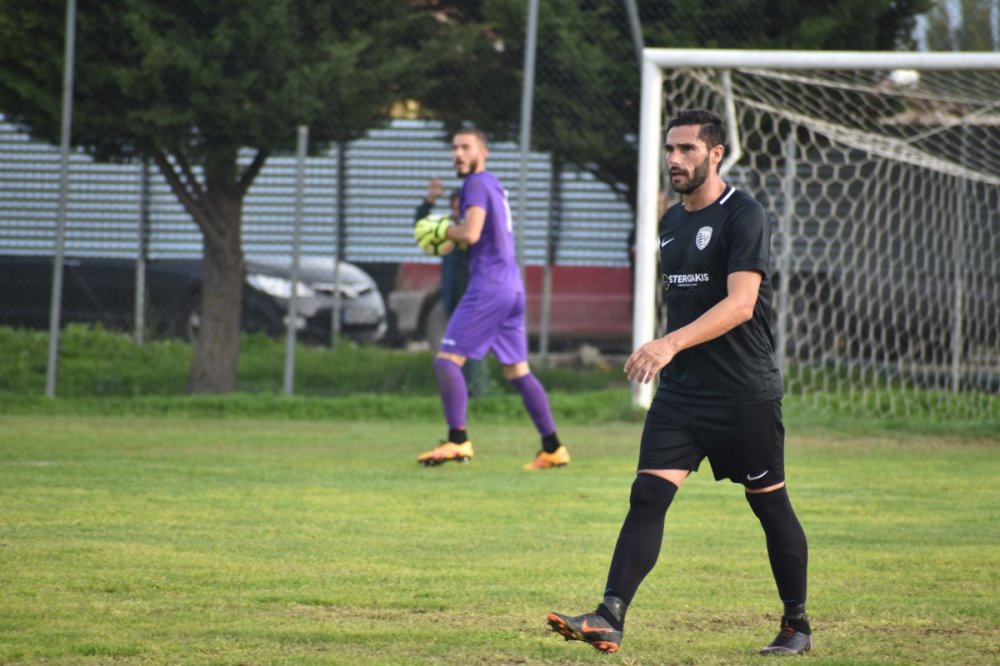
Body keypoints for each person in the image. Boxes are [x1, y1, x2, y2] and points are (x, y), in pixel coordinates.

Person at [545, 109, 812, 656]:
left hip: (743, 391)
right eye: (670, 149)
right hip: (684, 394)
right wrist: (670, 354)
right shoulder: (671, 221)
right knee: (647, 495)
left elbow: (740, 306)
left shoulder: (745, 214)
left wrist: (667, 344)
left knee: (768, 504)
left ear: (715, 154)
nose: (674, 159)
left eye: (687, 149)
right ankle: (609, 614)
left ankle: (796, 625)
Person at [414, 128, 570, 470]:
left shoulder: (476, 183)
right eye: (455, 147)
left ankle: (457, 441)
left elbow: (469, 233)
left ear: (482, 152)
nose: (458, 153)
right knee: (517, 370)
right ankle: (553, 448)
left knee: (446, 361)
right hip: (511, 286)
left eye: (465, 147)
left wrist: (441, 230)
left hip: (489, 286)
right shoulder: (494, 184)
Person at [415, 178, 489, 397]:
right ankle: (459, 395)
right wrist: (429, 201)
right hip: (451, 299)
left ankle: (480, 395)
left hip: (474, 301)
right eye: (454, 206)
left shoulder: (477, 230)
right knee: (452, 352)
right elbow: (421, 227)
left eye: (462, 206)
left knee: (472, 353)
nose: (457, 210)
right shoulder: (447, 229)